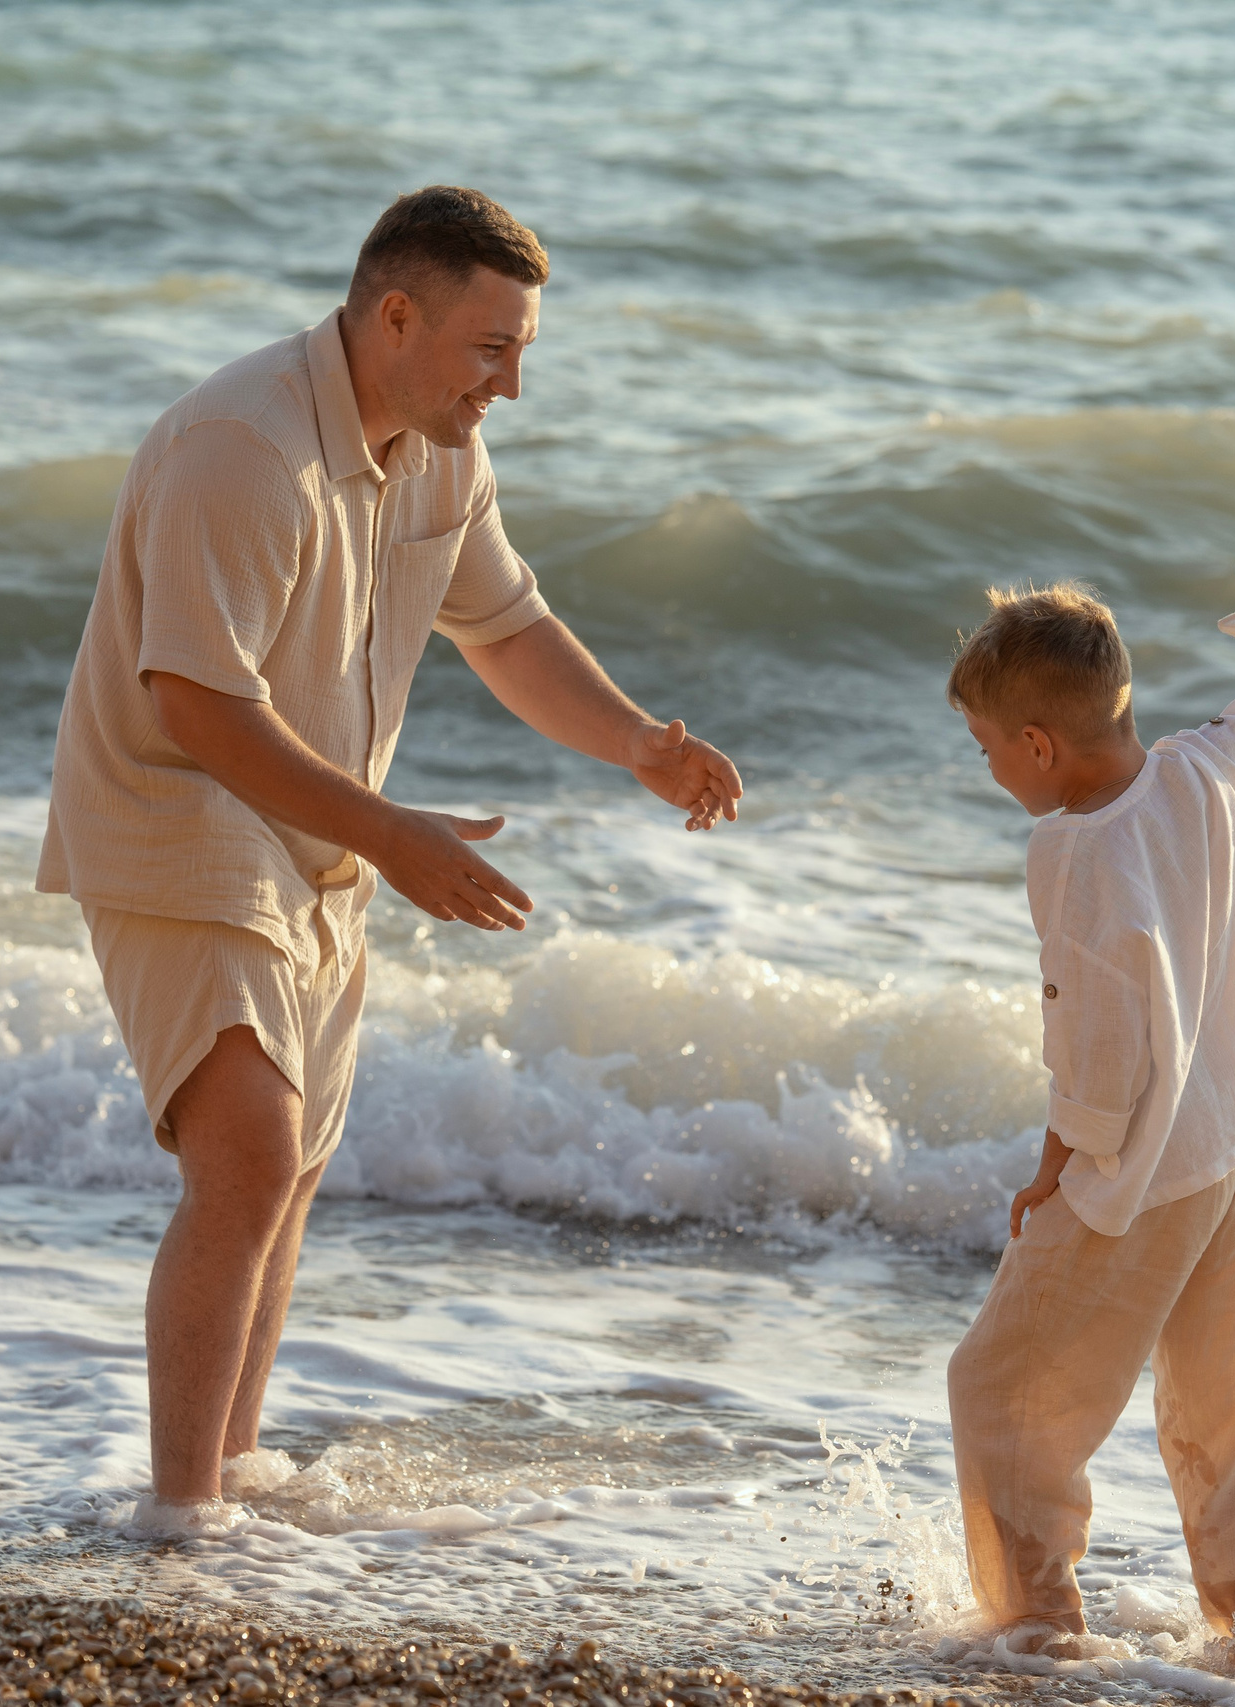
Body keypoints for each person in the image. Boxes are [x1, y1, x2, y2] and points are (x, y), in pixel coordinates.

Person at [37, 186, 744, 1529]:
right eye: (493, 350)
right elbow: (195, 704)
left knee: (290, 1166)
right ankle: (180, 1521)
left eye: (522, 352)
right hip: (175, 806)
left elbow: (507, 627)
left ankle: (230, 1474)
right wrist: (393, 833)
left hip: (315, 824)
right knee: (248, 1155)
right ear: (398, 317)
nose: (511, 384)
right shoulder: (244, 446)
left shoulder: (441, 450)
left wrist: (639, 744)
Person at [940, 555, 1235, 1679]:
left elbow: (1096, 1050)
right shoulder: (1202, 769)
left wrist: (1057, 1168)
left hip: (1144, 1171)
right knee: (1233, 1408)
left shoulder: (1071, 849)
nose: (989, 767)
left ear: (1038, 744)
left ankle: (1037, 1627)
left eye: (988, 747)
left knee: (1000, 1391)